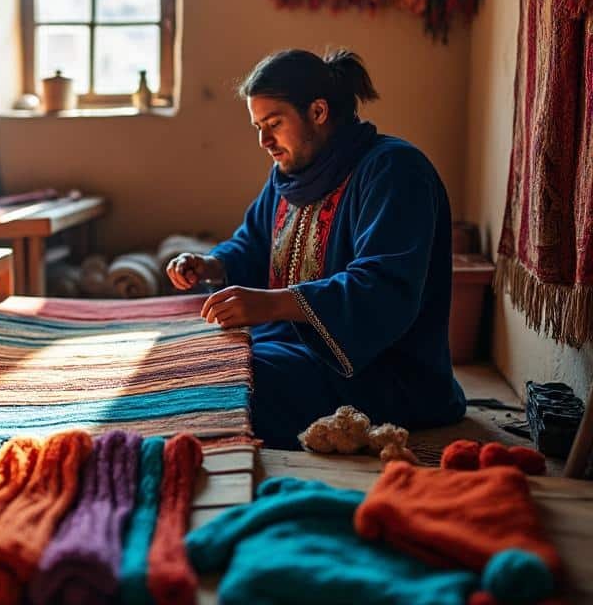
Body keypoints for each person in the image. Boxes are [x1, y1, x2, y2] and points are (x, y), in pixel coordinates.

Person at [165, 48, 465, 449]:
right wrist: (212, 265)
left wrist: (271, 305)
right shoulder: (288, 177)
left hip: (378, 372)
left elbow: (382, 288)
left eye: (273, 123)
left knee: (227, 383)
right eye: (257, 126)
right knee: (188, 355)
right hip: (291, 350)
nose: (263, 141)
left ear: (319, 112)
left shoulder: (394, 171)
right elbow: (253, 244)